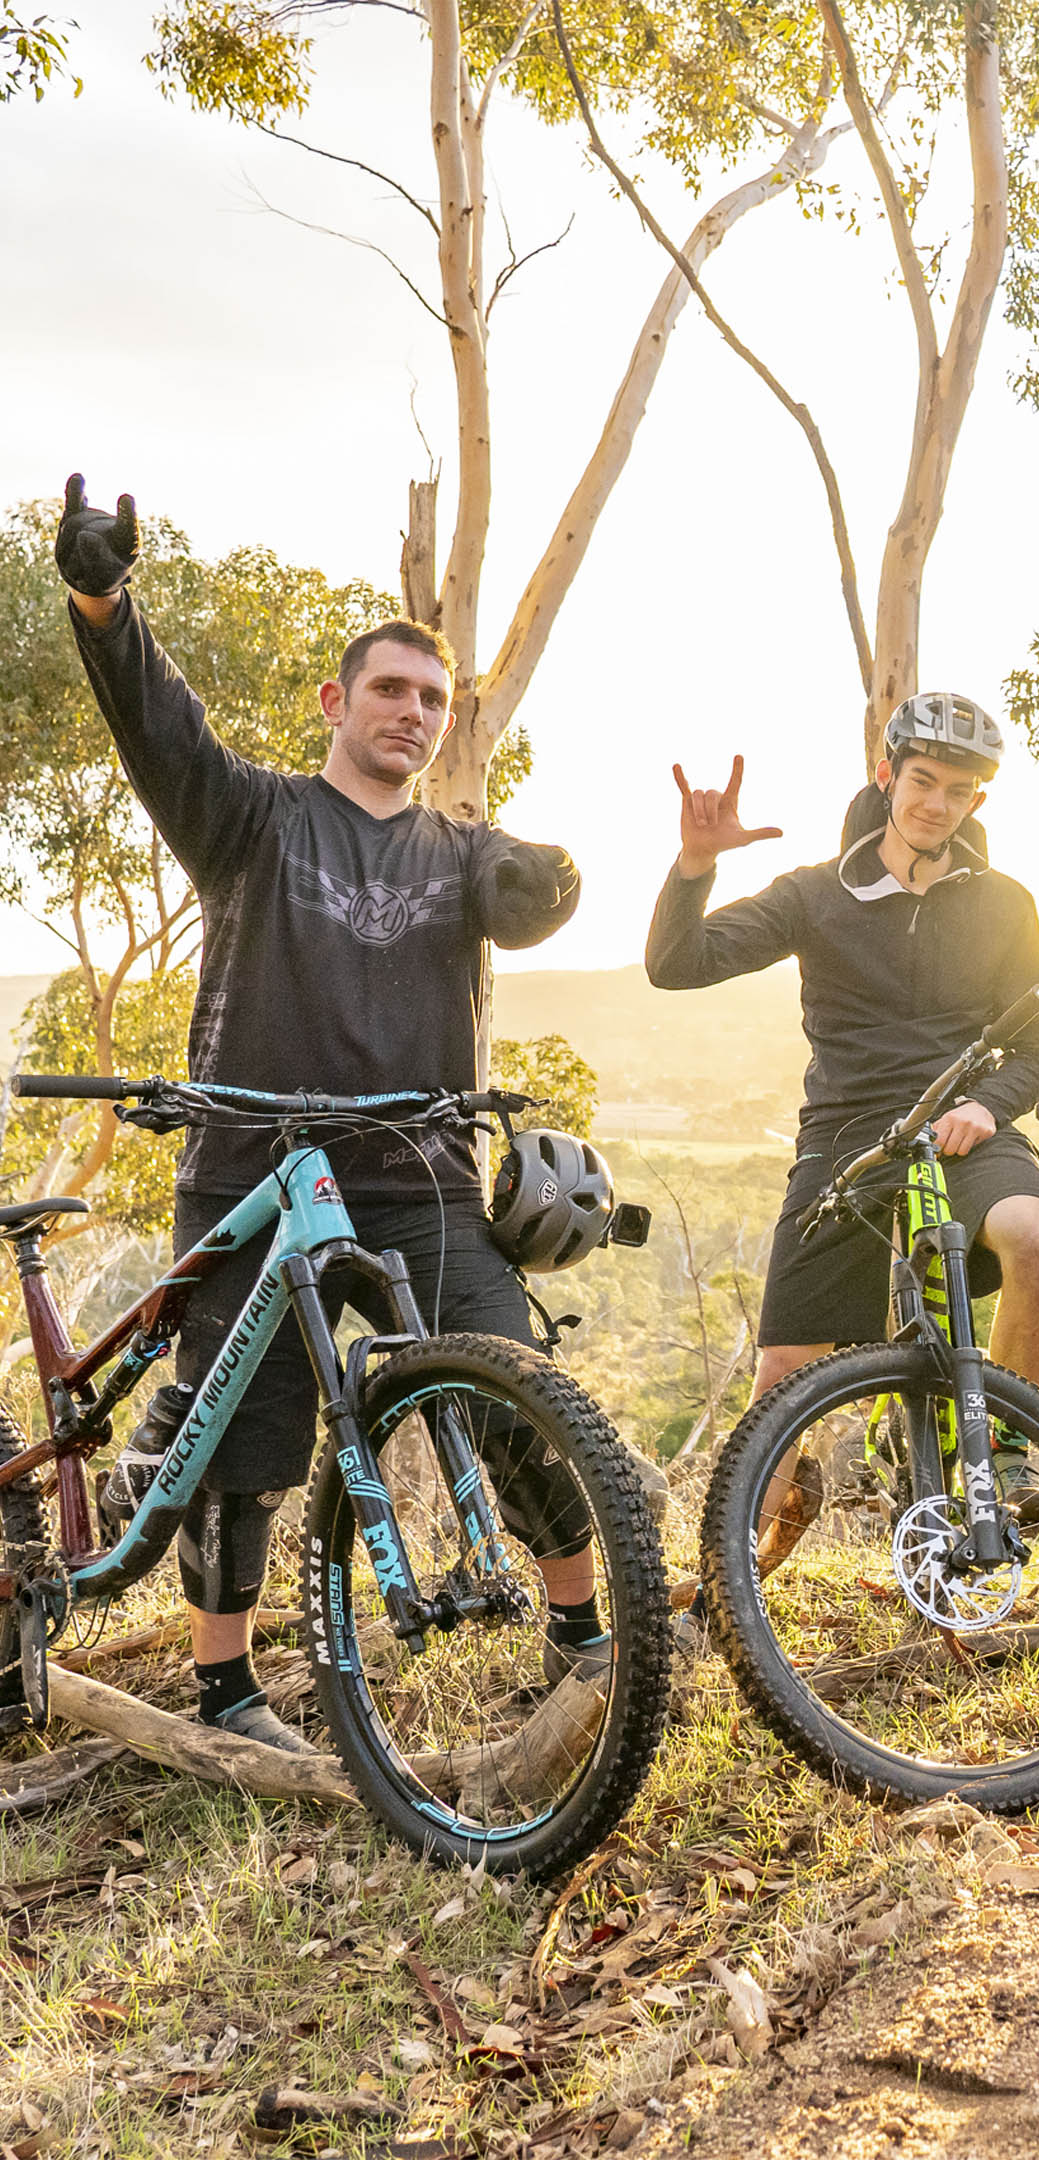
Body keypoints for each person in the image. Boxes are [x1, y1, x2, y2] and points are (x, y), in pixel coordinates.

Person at [51, 475, 595, 1752]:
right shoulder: (251, 818)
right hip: (254, 1173)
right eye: (390, 690)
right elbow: (160, 730)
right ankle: (228, 1690)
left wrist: (551, 876)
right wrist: (101, 599)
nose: (411, 712)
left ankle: (585, 1635)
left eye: (433, 700)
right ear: (335, 704)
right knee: (243, 1451)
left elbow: (525, 894)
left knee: (515, 1397)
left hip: (421, 1180)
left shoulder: (464, 852)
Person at [645, 700, 1039, 1518]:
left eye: (957, 791)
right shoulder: (814, 894)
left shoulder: (1005, 904)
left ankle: (1008, 1452)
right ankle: (727, 1572)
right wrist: (695, 864)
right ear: (886, 777)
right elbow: (677, 965)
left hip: (965, 1129)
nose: (935, 804)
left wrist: (986, 1106)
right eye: (921, 781)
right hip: (848, 1136)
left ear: (975, 803)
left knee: (1038, 1236)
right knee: (783, 1376)